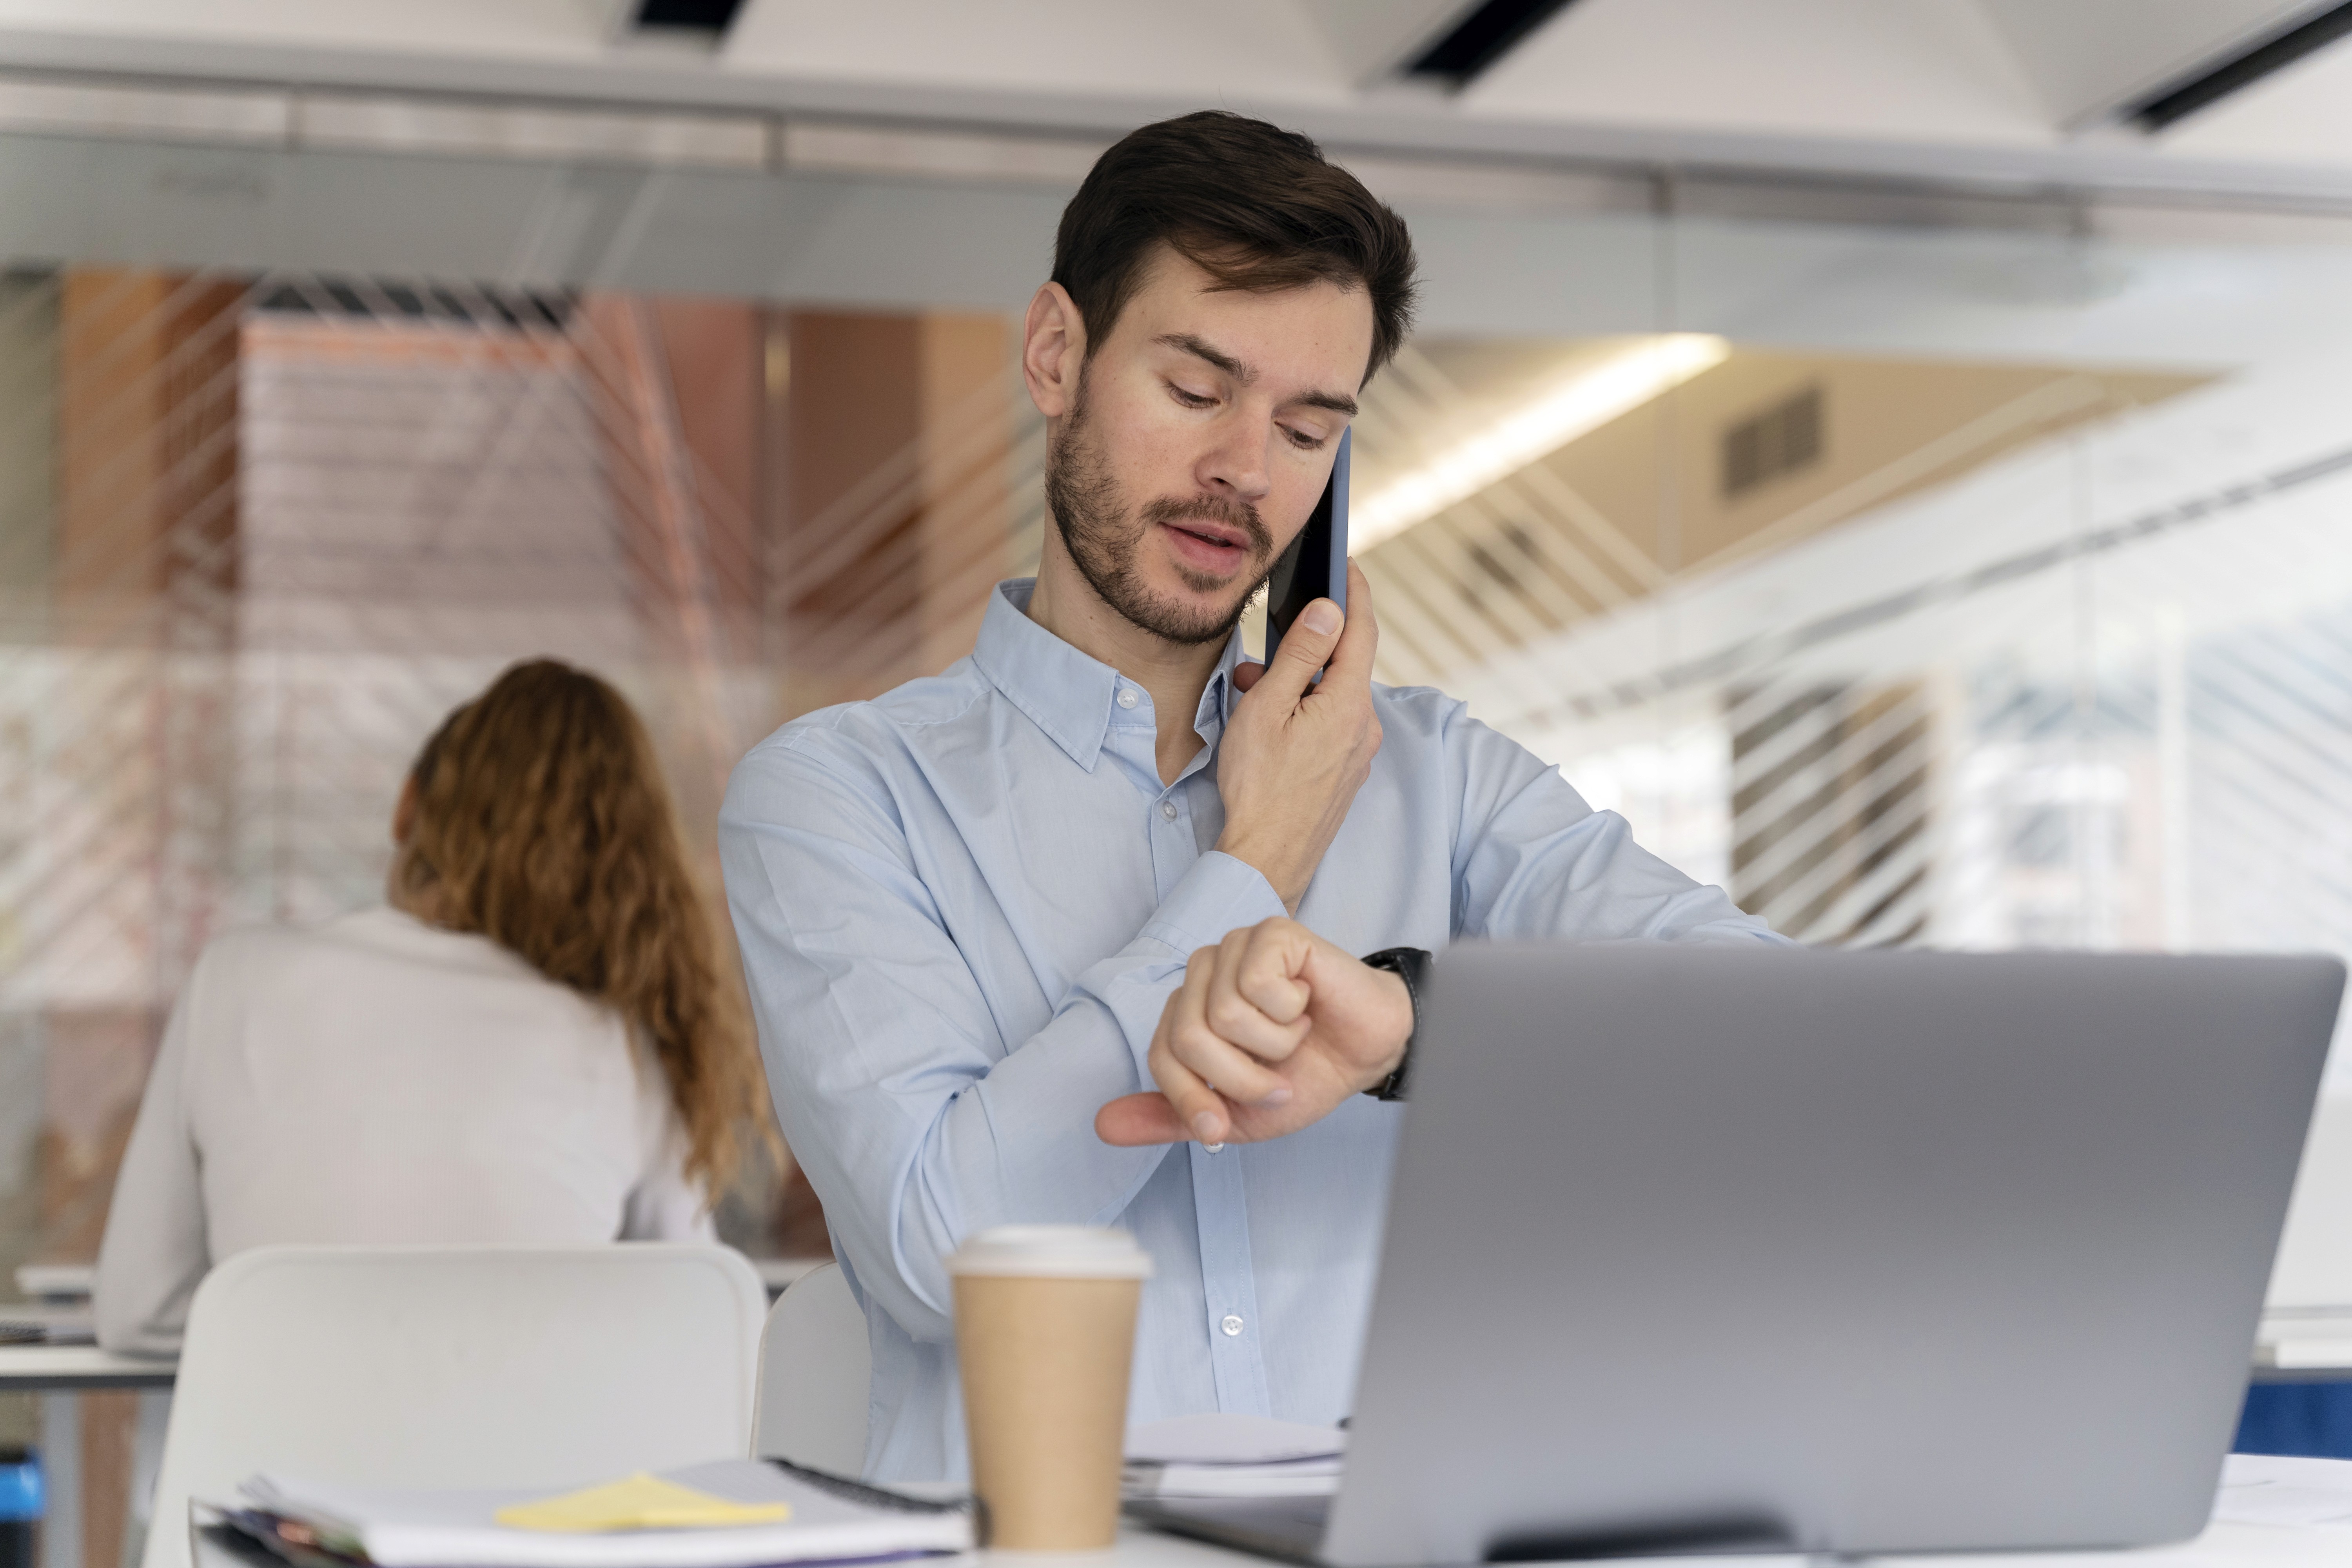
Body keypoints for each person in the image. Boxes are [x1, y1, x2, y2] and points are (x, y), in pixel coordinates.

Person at [719, 111, 1786, 1481]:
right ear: (1059, 355)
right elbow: (952, 1258)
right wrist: (1261, 856)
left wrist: (1411, 1023)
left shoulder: (1434, 774)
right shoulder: (837, 797)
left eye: (1304, 426)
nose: (1245, 470)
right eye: (1196, 388)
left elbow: (1779, 1047)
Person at [96, 660, 771, 1354]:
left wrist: (313, 1347)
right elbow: (699, 1321)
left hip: (266, 1458)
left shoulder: (235, 981)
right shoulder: (623, 1045)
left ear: (406, 808)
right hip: (544, 1459)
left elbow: (136, 1309)